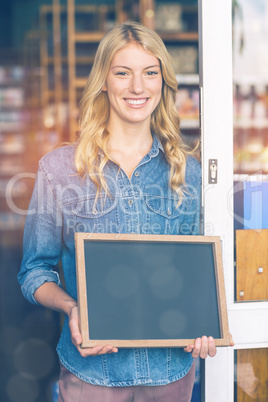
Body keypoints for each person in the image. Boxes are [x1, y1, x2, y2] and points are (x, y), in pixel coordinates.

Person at [18, 21, 226, 402]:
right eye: (123, 73)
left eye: (150, 73)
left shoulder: (187, 171)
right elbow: (34, 271)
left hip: (170, 373)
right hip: (91, 374)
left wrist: (205, 321)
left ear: (162, 82)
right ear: (103, 81)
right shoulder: (59, 169)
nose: (137, 87)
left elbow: (195, 273)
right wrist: (72, 307)